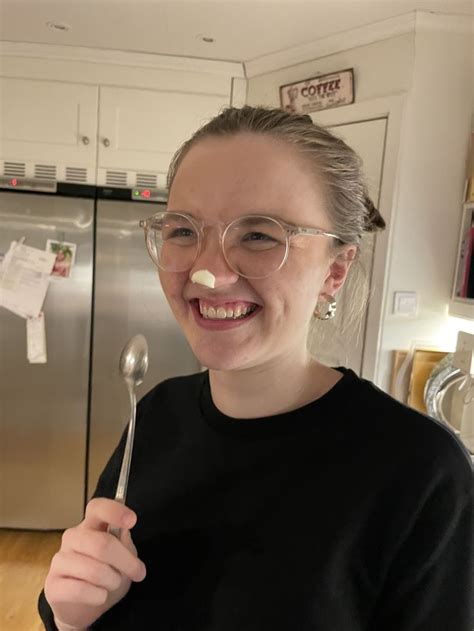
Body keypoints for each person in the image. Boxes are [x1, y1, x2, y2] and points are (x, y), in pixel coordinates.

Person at [39, 106, 473, 631]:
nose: (208, 272)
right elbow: (85, 592)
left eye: (260, 235)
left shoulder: (420, 474)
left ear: (335, 271)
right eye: (182, 230)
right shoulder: (157, 413)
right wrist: (69, 616)